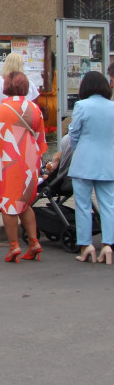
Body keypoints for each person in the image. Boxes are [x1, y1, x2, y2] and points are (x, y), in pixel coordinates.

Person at [0, 71, 46, 262]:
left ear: (7, 86)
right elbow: (41, 140)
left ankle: (14, 246)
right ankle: (34, 242)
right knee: (24, 203)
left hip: (7, 162)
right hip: (28, 161)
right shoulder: (35, 109)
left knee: (8, 204)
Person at [65, 71, 114, 264]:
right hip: (108, 162)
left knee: (83, 205)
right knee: (108, 205)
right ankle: (108, 245)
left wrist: (80, 149)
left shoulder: (81, 106)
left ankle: (86, 245)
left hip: (84, 162)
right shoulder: (112, 107)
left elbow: (73, 134)